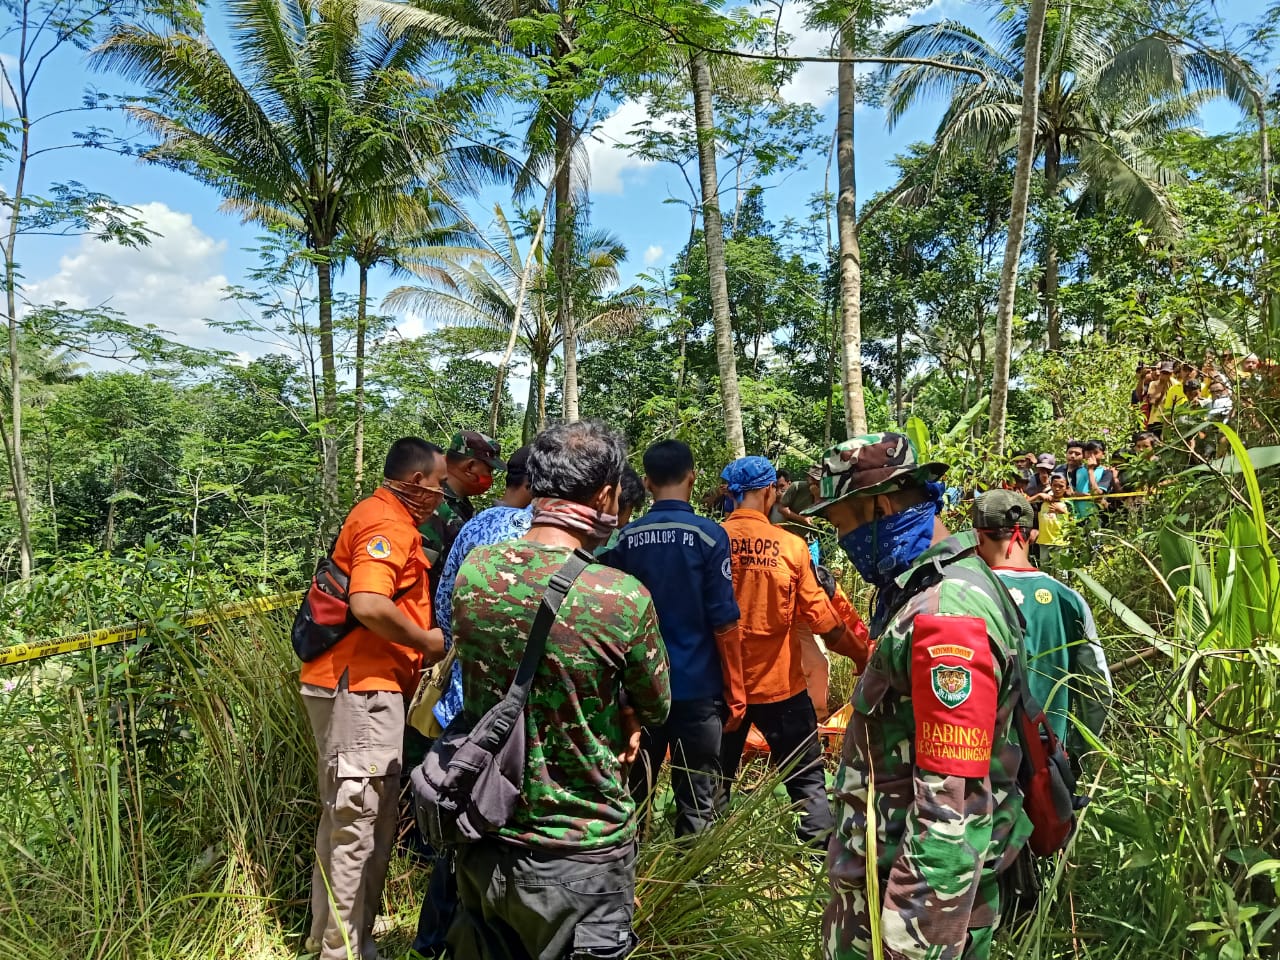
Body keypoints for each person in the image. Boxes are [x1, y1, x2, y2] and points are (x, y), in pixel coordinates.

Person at [447, 420, 670, 960]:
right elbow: (657, 704)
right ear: (606, 494)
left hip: (484, 833)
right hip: (581, 853)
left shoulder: (475, 572)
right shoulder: (619, 596)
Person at [803, 433, 1030, 960]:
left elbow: (951, 810)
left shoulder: (945, 613)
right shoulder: (932, 588)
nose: (843, 543)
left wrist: (911, 944)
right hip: (883, 888)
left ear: (881, 506)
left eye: (843, 526)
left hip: (908, 913)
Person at [301, 438, 448, 960]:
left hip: (358, 688)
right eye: (437, 484)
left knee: (348, 823)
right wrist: (428, 641)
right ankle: (343, 952)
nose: (440, 495)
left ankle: (335, 940)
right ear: (413, 480)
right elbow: (366, 602)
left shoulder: (385, 516)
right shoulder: (387, 523)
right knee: (359, 827)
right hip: (360, 692)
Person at [406, 445, 533, 960]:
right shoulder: (530, 534)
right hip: (506, 707)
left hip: (463, 696)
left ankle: (432, 941)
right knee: (493, 823)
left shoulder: (473, 526)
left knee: (460, 823)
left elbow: (442, 611)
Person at [717, 456, 869, 846]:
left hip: (722, 688)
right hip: (781, 687)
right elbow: (824, 620)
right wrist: (860, 655)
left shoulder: (712, 541)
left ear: (730, 494)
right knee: (807, 783)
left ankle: (702, 869)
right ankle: (821, 859)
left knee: (713, 784)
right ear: (770, 490)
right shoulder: (791, 546)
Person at [601, 440, 743, 838]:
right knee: (697, 799)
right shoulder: (710, 537)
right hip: (699, 689)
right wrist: (736, 689)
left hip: (639, 692)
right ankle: (690, 888)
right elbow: (725, 622)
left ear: (646, 483)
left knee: (631, 793)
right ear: (693, 476)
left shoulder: (624, 539)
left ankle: (626, 878)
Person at [972, 490, 1113, 759]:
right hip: (1049, 762)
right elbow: (1098, 690)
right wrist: (1076, 754)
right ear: (1030, 533)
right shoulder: (1069, 598)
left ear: (977, 536)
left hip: (985, 765)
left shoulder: (966, 593)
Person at [421, 430, 506, 594]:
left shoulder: (461, 505)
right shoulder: (434, 507)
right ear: (470, 466)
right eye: (489, 470)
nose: (490, 478)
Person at [1070, 440, 1114, 521]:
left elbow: (1096, 493)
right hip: (1078, 516)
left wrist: (1090, 470)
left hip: (1097, 516)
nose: (1092, 456)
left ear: (1103, 455)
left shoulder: (1106, 473)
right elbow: (1070, 492)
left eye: (1095, 453)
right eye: (1089, 453)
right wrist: (1086, 496)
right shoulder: (1077, 471)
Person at [1146, 361, 1176, 436]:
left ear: (1172, 374)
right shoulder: (1153, 384)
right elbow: (1153, 402)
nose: (1165, 375)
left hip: (1169, 420)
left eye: (1168, 373)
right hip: (1155, 420)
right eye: (1163, 373)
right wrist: (1163, 390)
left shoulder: (1177, 385)